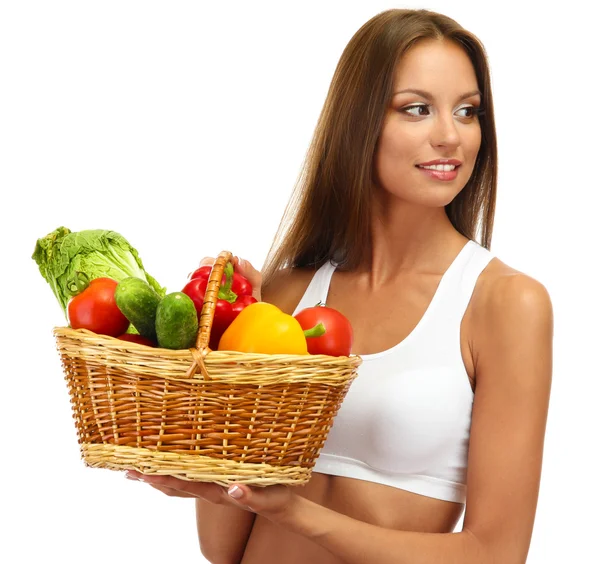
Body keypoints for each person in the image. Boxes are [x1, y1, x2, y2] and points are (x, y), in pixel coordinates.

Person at [126, 8, 553, 564]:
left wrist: (295, 512)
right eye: (417, 109)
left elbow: (496, 554)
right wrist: (221, 366)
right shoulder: (288, 294)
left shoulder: (504, 304)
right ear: (359, 123)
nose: (450, 136)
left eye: (468, 111)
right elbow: (223, 546)